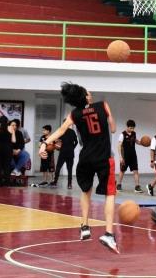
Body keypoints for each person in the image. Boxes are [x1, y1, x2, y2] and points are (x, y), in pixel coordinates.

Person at [40, 82, 119, 253]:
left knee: (86, 191)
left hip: (85, 158)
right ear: (86, 96)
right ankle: (109, 233)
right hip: (103, 158)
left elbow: (61, 130)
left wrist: (44, 144)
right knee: (110, 194)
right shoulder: (103, 106)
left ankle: (85, 227)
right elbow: (113, 129)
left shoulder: (74, 114)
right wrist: (109, 119)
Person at [116, 119, 143, 193]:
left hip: (133, 155)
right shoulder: (122, 134)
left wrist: (143, 143)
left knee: (135, 171)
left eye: (133, 128)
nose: (132, 129)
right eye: (130, 128)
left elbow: (136, 141)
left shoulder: (134, 133)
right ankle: (118, 185)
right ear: (127, 127)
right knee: (122, 170)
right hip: (125, 156)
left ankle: (137, 187)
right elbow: (119, 146)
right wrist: (120, 157)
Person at [52, 119, 78, 189]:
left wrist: (57, 146)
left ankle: (55, 182)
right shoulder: (72, 132)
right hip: (70, 153)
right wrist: (72, 148)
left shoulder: (61, 131)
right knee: (69, 169)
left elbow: (55, 140)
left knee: (58, 167)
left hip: (63, 152)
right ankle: (69, 184)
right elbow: (76, 142)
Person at [0, 116, 15, 186]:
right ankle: (7, 182)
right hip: (8, 149)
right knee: (7, 166)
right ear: (7, 122)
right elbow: (14, 140)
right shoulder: (11, 128)